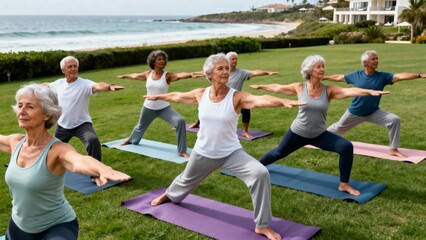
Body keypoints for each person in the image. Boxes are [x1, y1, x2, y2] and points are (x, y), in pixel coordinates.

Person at [148, 53, 306, 240]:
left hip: (231, 153)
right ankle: (169, 195)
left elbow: (259, 99)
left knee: (260, 174)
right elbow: (177, 96)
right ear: (210, 74)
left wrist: (282, 101)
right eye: (220, 68)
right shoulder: (201, 94)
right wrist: (158, 95)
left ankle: (262, 225)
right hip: (203, 152)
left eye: (226, 68)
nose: (225, 71)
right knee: (185, 180)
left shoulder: (237, 97)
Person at [1, 83, 131, 240]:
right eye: (20, 105)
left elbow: (78, 161)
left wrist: (100, 168)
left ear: (46, 114)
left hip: (56, 227)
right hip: (18, 226)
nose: (21, 111)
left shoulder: (57, 150)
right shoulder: (15, 142)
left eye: (29, 107)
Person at [250, 55, 389, 196]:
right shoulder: (299, 87)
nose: (322, 69)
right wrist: (261, 86)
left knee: (346, 147)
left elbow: (349, 91)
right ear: (310, 70)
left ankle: (344, 185)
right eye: (319, 66)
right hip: (298, 133)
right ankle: (256, 168)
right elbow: (277, 87)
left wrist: (369, 92)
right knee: (278, 153)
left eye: (323, 66)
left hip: (319, 134)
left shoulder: (329, 90)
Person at [323, 50, 425, 158]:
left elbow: (400, 76)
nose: (376, 61)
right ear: (365, 62)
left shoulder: (382, 76)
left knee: (394, 120)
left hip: (373, 112)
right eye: (373, 59)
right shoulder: (356, 75)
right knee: (337, 129)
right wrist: (324, 77)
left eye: (377, 58)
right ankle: (318, 136)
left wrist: (419, 75)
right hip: (355, 112)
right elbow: (339, 77)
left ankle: (393, 149)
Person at [117, 50, 204, 158]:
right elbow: (136, 76)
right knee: (140, 127)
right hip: (148, 107)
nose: (162, 61)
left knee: (180, 121)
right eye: (159, 59)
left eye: (163, 59)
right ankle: (131, 140)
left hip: (164, 108)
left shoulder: (167, 76)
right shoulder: (148, 74)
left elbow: (180, 75)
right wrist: (125, 76)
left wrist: (191, 75)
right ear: (153, 61)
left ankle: (182, 151)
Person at [47, 56, 124, 163]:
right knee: (52, 149)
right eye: (70, 67)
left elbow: (98, 86)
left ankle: (96, 171)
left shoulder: (84, 84)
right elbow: (46, 85)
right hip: (63, 125)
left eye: (75, 66)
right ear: (63, 70)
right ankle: (49, 170)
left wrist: (109, 86)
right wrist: (31, 89)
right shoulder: (59, 84)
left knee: (92, 140)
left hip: (82, 124)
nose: (73, 69)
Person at [189, 51, 279, 139]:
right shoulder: (219, 71)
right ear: (227, 60)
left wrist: (267, 72)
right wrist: (191, 74)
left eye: (236, 59)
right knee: (207, 108)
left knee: (246, 110)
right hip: (221, 97)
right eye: (232, 59)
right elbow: (205, 71)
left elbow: (255, 72)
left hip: (236, 99)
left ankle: (245, 131)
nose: (235, 61)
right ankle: (198, 123)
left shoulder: (241, 73)